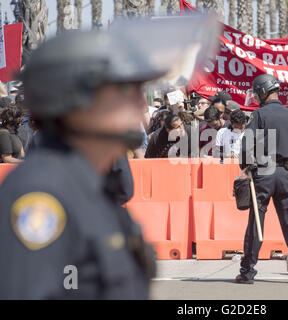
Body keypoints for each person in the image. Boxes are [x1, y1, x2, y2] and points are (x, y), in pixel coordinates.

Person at [0, 29, 165, 299]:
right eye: (124, 90)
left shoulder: (91, 187)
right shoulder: (39, 195)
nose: (139, 103)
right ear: (77, 100)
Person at [237, 74, 288, 284]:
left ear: (262, 92)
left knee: (256, 222)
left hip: (264, 173)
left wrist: (246, 167)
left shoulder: (259, 115)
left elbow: (246, 147)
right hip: (287, 175)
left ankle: (247, 272)